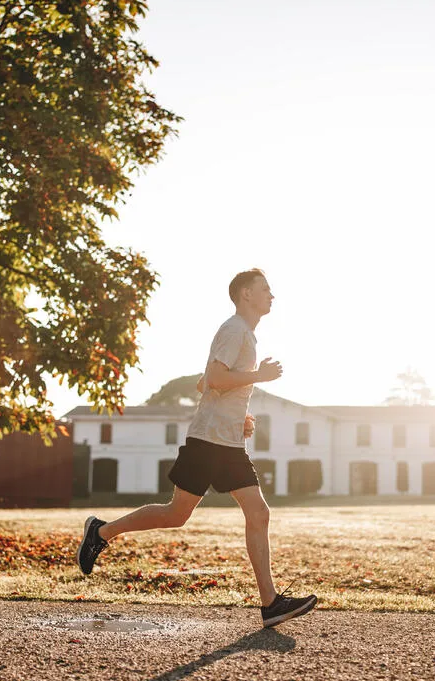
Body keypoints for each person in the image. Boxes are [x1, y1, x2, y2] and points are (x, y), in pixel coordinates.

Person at [77, 269, 318, 628]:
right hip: (207, 441)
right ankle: (101, 532)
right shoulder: (234, 329)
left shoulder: (245, 335)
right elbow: (216, 378)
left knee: (258, 512)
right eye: (265, 289)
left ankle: (270, 604)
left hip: (227, 441)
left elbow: (205, 382)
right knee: (176, 514)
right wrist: (258, 377)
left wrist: (239, 415)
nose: (272, 295)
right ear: (245, 294)